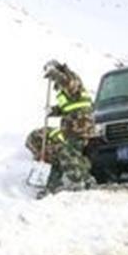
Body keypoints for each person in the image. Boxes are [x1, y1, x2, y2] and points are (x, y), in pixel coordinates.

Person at [34, 60, 95, 192]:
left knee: (68, 153)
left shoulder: (71, 78)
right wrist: (54, 111)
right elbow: (69, 107)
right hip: (71, 126)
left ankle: (82, 180)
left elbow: (69, 84)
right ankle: (54, 185)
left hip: (81, 126)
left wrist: (55, 74)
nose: (53, 83)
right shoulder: (64, 91)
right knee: (68, 153)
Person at [26, 126, 93, 192]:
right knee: (58, 158)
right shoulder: (54, 145)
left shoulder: (63, 150)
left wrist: (84, 179)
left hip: (64, 147)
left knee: (66, 160)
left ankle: (86, 180)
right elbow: (55, 162)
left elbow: (72, 167)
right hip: (46, 141)